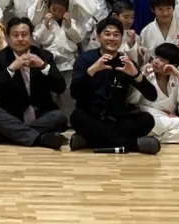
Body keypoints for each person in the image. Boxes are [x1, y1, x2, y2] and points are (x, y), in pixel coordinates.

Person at [68, 17, 160, 155]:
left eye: (116, 35)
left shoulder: (126, 62)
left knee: (147, 120)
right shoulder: (85, 59)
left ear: (122, 38)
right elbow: (74, 93)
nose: (111, 38)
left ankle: (88, 140)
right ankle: (133, 144)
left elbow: (152, 96)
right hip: (91, 117)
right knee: (76, 116)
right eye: (107, 34)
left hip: (118, 119)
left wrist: (136, 75)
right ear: (98, 36)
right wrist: (91, 71)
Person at [0, 17, 69, 148]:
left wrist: (43, 66)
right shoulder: (0, 58)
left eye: (24, 34)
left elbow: (60, 87)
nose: (20, 39)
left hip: (41, 114)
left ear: (31, 36)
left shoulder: (44, 56)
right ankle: (41, 139)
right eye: (15, 35)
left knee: (60, 117)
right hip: (12, 114)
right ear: (8, 38)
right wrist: (11, 69)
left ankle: (7, 135)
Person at [134, 43, 179, 145]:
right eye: (156, 57)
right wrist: (142, 77)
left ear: (172, 65)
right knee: (148, 123)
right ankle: (178, 122)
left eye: (162, 60)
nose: (156, 61)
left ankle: (150, 138)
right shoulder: (146, 75)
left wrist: (178, 74)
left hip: (166, 121)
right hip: (147, 118)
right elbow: (132, 100)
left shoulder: (175, 79)